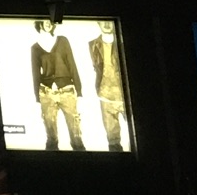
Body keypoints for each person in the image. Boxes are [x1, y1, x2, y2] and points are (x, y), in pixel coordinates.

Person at [31, 20, 86, 151]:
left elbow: (72, 64)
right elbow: (35, 73)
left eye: (50, 20)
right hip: (47, 93)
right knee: (51, 139)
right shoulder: (35, 48)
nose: (48, 23)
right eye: (44, 20)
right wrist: (37, 97)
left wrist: (79, 90)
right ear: (39, 23)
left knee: (76, 137)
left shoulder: (62, 41)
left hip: (67, 91)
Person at [90, 21, 127, 151]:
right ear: (98, 23)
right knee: (113, 141)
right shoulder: (93, 45)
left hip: (126, 95)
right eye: (103, 21)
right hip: (105, 96)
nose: (106, 24)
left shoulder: (123, 42)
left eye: (108, 22)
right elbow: (96, 67)